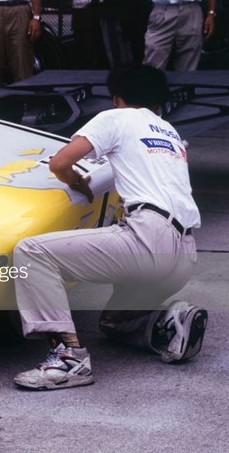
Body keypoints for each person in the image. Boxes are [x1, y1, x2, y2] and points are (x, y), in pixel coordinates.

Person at [11, 64, 206, 391]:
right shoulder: (169, 133)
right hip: (184, 255)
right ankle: (167, 325)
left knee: (32, 252)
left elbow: (60, 162)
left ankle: (68, 358)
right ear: (158, 102)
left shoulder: (116, 117)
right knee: (114, 323)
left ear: (117, 98)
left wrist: (78, 182)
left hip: (148, 239)